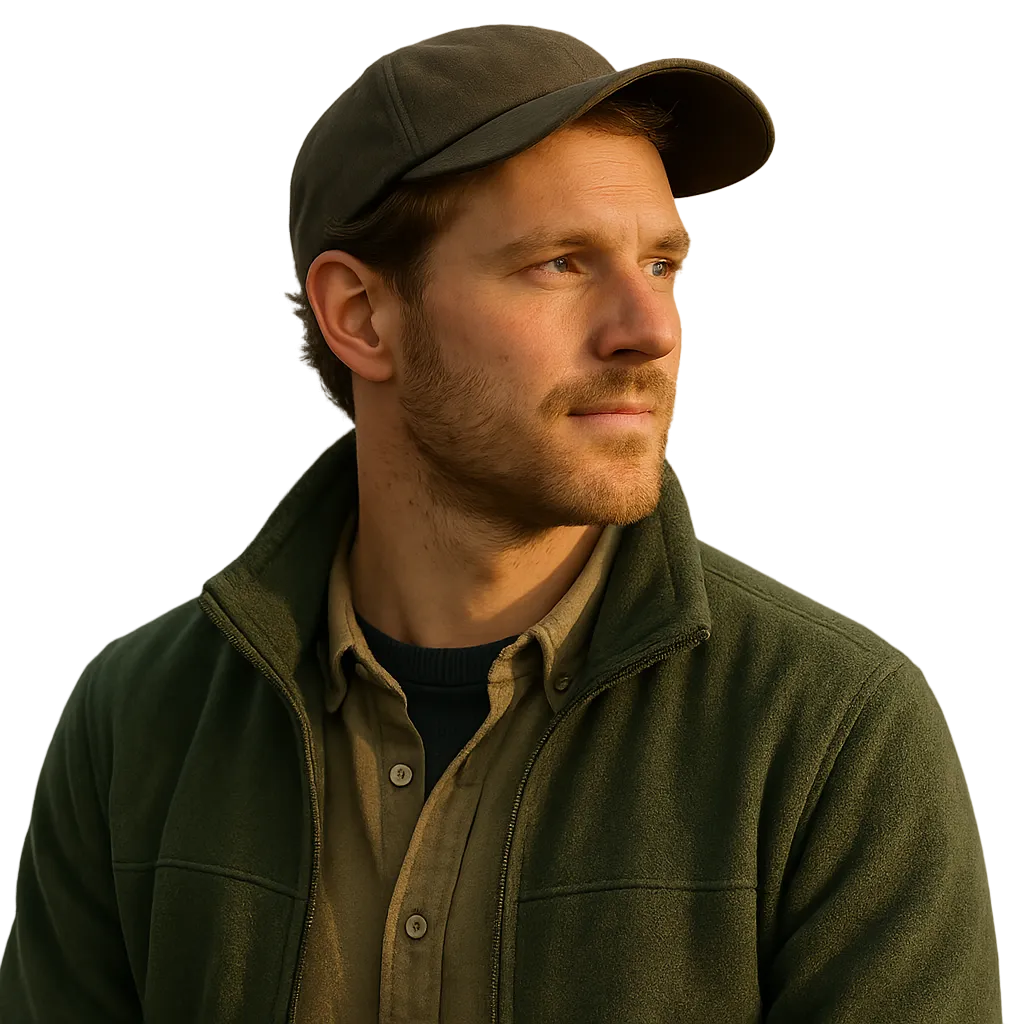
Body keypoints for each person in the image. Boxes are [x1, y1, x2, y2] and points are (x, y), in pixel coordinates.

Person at [0, 23, 1002, 1023]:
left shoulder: (830, 733)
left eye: (660, 263)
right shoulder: (138, 724)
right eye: (561, 263)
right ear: (361, 315)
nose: (649, 329)